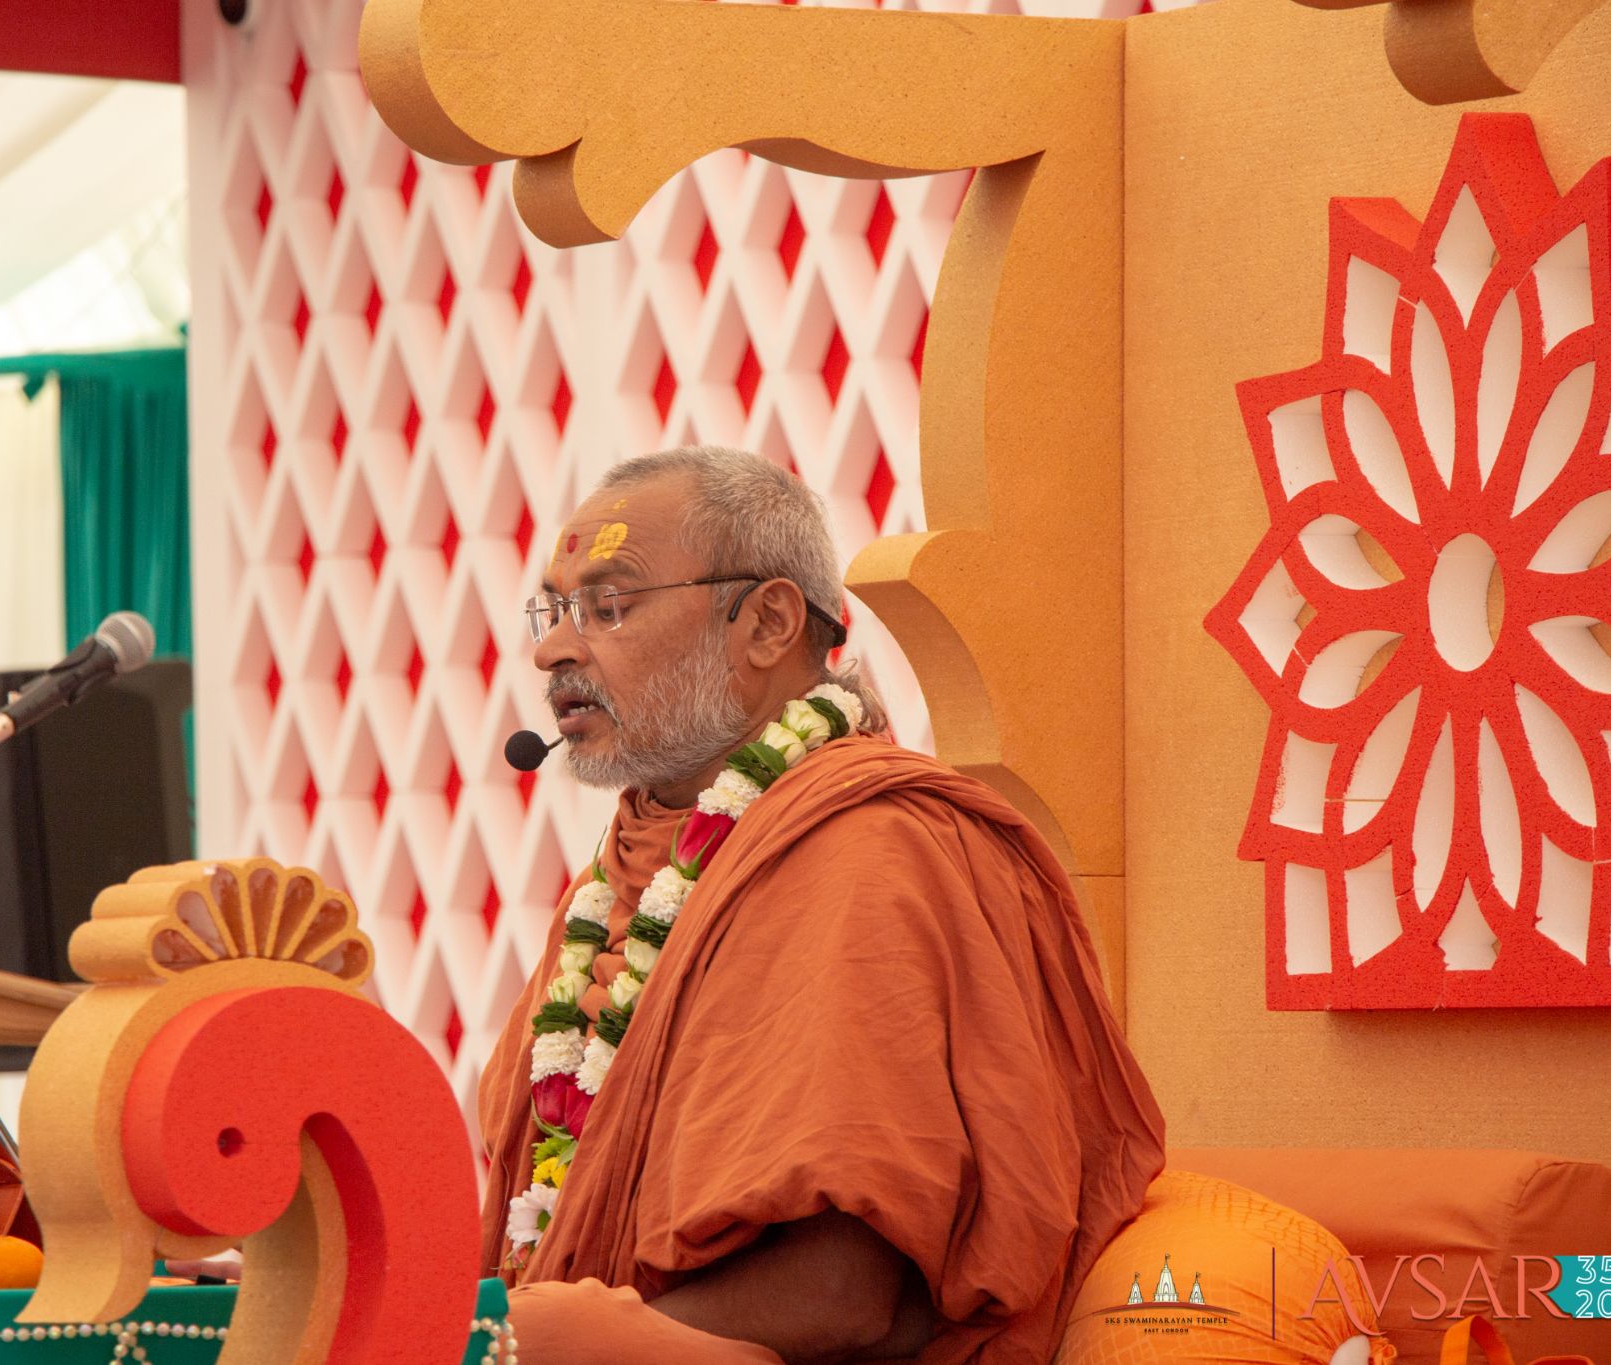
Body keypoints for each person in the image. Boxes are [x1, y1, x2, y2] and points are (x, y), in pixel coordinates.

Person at [482, 445, 1165, 1363]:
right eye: (557, 608)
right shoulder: (632, 863)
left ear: (766, 622)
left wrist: (564, 1340)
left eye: (608, 605)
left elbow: (844, 1295)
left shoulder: (870, 849)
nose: (552, 648)